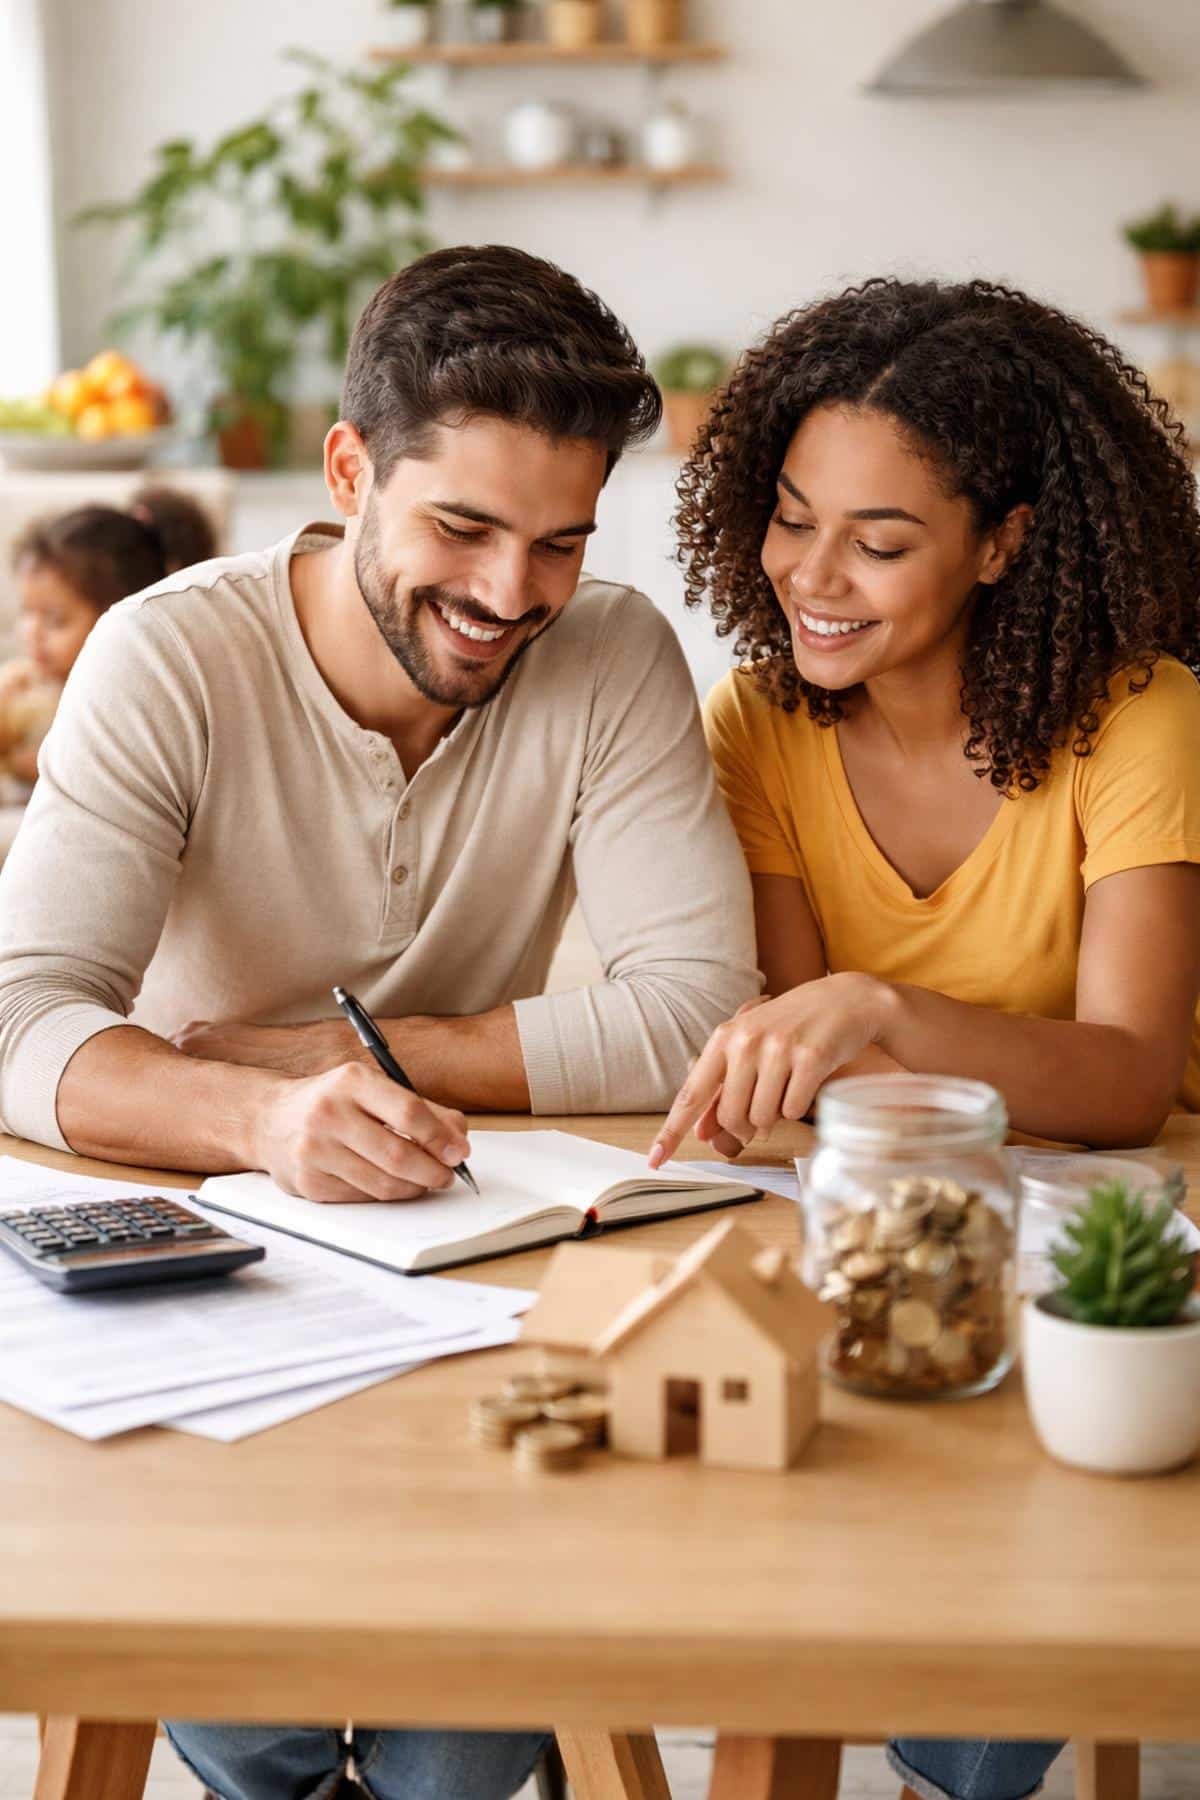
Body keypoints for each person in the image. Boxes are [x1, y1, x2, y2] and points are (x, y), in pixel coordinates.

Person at [0, 244, 758, 1800]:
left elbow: (697, 1015)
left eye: (559, 542)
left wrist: (371, 1059)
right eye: (462, 527)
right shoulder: (170, 657)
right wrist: (263, 1119)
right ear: (350, 471)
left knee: (452, 1751)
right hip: (195, 1284)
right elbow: (17, 1012)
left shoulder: (609, 654)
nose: (508, 596)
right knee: (255, 1723)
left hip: (473, 1277)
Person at [650, 275, 1200, 1800]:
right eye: (791, 517)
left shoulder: (1138, 720)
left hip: (1118, 1228)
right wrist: (852, 1053)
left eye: (881, 543)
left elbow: (1130, 1083)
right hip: (882, 1222)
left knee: (975, 1663)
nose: (814, 577)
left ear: (1005, 542)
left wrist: (888, 1011)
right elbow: (787, 1083)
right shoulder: (758, 723)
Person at [0, 487, 215, 857]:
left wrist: (32, 766)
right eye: (27, 613)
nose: (32, 633)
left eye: (55, 620)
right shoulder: (25, 686)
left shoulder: (121, 703)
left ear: (117, 620)